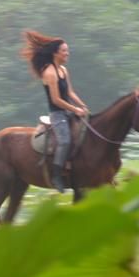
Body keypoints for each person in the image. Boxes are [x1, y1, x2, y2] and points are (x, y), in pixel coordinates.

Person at [21, 30, 89, 193]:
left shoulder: (63, 70)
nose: (67, 53)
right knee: (65, 141)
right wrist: (75, 109)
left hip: (69, 112)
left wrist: (83, 106)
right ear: (55, 53)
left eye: (67, 50)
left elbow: (71, 93)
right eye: (64, 51)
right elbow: (56, 100)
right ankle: (57, 175)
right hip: (57, 114)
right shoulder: (49, 73)